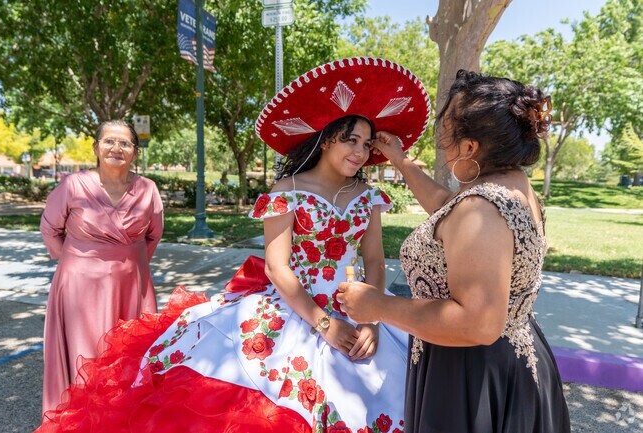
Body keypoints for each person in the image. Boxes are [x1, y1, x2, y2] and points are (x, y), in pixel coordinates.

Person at [35, 57, 431, 432]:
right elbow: (278, 268)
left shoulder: (368, 195)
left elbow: (376, 261)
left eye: (366, 145)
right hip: (296, 310)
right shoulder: (287, 190)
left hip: (361, 310)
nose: (361, 153)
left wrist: (372, 319)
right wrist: (325, 325)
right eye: (351, 140)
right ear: (326, 139)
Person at [336, 70, 571, 433]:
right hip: (503, 360)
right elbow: (448, 209)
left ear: (470, 147)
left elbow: (477, 322)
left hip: (470, 375)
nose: (443, 152)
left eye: (445, 138)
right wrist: (401, 161)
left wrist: (377, 306)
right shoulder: (511, 186)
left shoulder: (481, 208)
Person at [39, 119, 164, 413]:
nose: (116, 148)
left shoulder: (148, 189)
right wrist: (78, 262)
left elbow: (153, 235)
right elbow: (49, 229)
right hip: (80, 288)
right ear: (96, 148)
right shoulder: (73, 185)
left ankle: (120, 419)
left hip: (131, 287)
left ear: (135, 153)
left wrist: (132, 265)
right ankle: (82, 418)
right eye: (109, 141)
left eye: (125, 143)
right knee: (86, 355)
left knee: (129, 355)